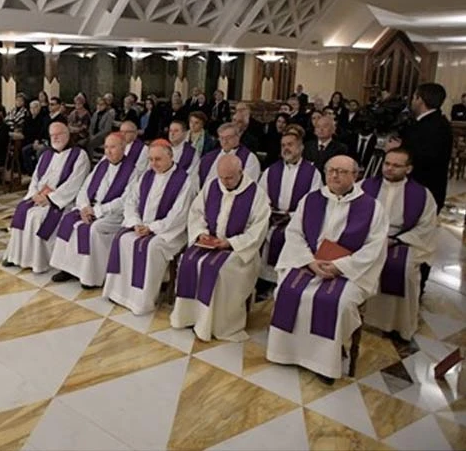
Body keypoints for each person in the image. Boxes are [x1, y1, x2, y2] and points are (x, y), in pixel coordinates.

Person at [267, 155, 388, 383]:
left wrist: (339, 267)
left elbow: (375, 248)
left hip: (348, 272)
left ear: (355, 175)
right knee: (288, 291)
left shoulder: (372, 208)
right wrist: (309, 261)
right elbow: (294, 234)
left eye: (342, 172)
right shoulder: (311, 200)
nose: (335, 175)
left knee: (336, 302)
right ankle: (286, 352)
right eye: (331, 170)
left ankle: (323, 362)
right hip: (309, 262)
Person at [171, 154, 270, 341]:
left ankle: (216, 324)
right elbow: (196, 212)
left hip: (238, 252)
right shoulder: (212, 186)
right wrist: (201, 233)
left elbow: (257, 231)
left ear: (241, 172)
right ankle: (189, 317)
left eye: (229, 177)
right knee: (188, 261)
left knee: (217, 269)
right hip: (210, 243)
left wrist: (230, 243)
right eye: (221, 177)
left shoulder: (256, 195)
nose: (224, 182)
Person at [103, 140, 193, 315]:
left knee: (151, 247)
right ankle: (120, 293)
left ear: (171, 156)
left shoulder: (185, 181)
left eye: (158, 159)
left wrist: (151, 227)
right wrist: (136, 222)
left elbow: (178, 214)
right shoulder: (146, 176)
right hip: (142, 225)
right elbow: (131, 201)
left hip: (169, 232)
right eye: (150, 159)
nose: (153, 164)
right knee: (122, 239)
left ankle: (142, 301)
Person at [361, 149, 436, 341]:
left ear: (408, 168)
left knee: (406, 271)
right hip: (367, 239)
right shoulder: (365, 186)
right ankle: (358, 313)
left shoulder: (421, 194)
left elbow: (425, 227)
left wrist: (395, 240)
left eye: (396, 165)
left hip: (402, 240)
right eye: (387, 164)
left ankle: (396, 324)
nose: (389, 168)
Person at [387, 83, 452, 296]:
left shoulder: (433, 127)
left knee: (419, 241)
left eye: (414, 97)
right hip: (420, 189)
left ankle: (415, 288)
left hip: (424, 192)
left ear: (420, 99)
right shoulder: (433, 123)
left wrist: (396, 151)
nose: (412, 101)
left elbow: (424, 158)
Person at [49, 133, 136, 288]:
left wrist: (97, 211)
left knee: (93, 229)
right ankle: (68, 268)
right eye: (106, 147)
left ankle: (91, 276)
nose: (108, 151)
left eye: (113, 147)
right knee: (68, 220)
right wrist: (83, 207)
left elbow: (125, 200)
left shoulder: (133, 170)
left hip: (113, 215)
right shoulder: (102, 165)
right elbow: (84, 188)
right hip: (90, 208)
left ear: (123, 148)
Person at [3, 122, 91, 273]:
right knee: (22, 210)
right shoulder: (46, 154)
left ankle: (37, 261)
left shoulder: (79, 155)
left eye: (59, 134)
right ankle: (16, 256)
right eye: (52, 135)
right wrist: (34, 194)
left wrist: (51, 199)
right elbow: (36, 178)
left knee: (37, 218)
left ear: (68, 134)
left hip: (63, 202)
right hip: (40, 197)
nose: (55, 137)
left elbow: (75, 183)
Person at [257, 124, 322, 293]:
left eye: (290, 144)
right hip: (272, 220)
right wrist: (269, 211)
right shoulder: (271, 170)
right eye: (283, 145)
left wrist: (292, 216)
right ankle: (264, 287)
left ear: (300, 148)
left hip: (297, 223)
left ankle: (284, 286)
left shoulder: (312, 173)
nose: (286, 148)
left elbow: (314, 203)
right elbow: (260, 197)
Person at [197, 123, 261, 189]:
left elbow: (248, 184)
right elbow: (196, 181)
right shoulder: (208, 157)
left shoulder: (249, 158)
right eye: (222, 138)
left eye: (229, 137)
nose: (225, 141)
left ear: (238, 137)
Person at [304, 115, 348, 179]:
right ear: (314, 130)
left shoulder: (341, 148)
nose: (321, 129)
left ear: (333, 130)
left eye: (325, 126)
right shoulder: (307, 146)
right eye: (318, 127)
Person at [21, 100, 51, 173]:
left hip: (39, 141)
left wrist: (37, 140)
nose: (33, 110)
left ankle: (34, 172)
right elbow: (24, 130)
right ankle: (26, 170)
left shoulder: (43, 118)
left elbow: (42, 132)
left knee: (26, 150)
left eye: (35, 108)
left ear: (39, 108)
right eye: (31, 108)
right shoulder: (28, 118)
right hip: (28, 140)